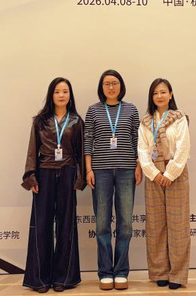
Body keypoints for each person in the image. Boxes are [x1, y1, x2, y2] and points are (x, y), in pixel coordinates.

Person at [21, 77, 86, 293]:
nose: (61, 95)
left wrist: (79, 179)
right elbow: (32, 150)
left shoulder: (76, 121)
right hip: (44, 174)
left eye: (65, 91)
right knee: (42, 226)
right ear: (51, 95)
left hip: (68, 174)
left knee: (66, 226)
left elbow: (80, 152)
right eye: (57, 91)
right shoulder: (40, 121)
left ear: (70, 95)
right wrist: (31, 177)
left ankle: (63, 278)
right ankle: (40, 279)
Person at [84, 69, 142, 291]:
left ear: (121, 86)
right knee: (102, 223)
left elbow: (137, 140)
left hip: (127, 170)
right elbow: (88, 140)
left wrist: (138, 166)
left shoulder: (131, 109)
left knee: (125, 223)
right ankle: (105, 272)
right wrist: (89, 169)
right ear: (101, 87)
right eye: (107, 83)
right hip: (101, 171)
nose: (111, 87)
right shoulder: (93, 110)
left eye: (115, 83)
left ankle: (121, 271)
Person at [137, 78, 191, 290]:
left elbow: (183, 149)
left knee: (178, 225)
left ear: (170, 94)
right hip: (153, 175)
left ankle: (177, 274)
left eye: (163, 92)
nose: (159, 96)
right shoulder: (146, 122)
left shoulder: (179, 119)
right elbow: (142, 150)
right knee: (155, 225)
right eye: (155, 93)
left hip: (175, 173)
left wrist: (170, 173)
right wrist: (153, 173)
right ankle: (160, 272)